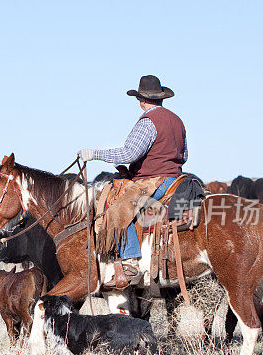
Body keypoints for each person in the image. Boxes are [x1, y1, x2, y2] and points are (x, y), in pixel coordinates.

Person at [78, 75, 187, 289]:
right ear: (161, 98)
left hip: (154, 181)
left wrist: (95, 154)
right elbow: (184, 154)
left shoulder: (148, 122)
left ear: (141, 100)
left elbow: (129, 153)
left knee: (120, 207)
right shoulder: (177, 121)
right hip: (177, 179)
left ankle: (130, 264)